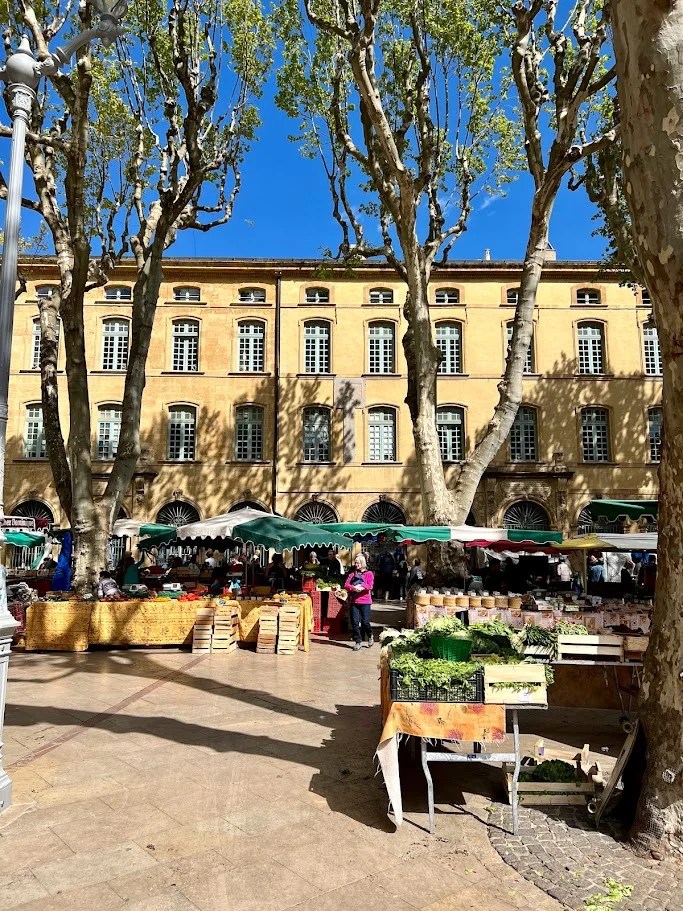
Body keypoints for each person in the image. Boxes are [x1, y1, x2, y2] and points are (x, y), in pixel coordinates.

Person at [345, 554, 374, 651]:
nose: (356, 564)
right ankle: (358, 641)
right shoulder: (352, 574)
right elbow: (346, 585)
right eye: (355, 563)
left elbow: (370, 586)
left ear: (362, 563)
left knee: (365, 622)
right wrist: (353, 588)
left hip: (365, 601)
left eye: (357, 563)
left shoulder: (369, 574)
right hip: (354, 601)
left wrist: (361, 587)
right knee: (355, 622)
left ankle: (370, 635)